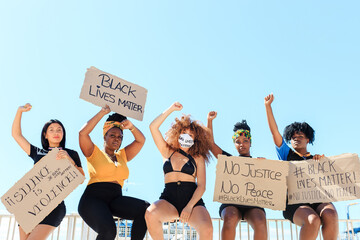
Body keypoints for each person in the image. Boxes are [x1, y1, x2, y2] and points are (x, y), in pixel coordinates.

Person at [264, 93, 339, 240]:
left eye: (300, 137)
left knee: (331, 214)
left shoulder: (316, 159)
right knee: (312, 220)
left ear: (308, 139)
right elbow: (274, 133)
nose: (296, 139)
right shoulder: (286, 154)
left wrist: (322, 164)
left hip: (316, 197)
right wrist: (268, 106)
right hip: (294, 201)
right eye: (293, 138)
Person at [11, 103, 84, 240]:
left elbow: (80, 178)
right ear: (45, 135)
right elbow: (16, 135)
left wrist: (69, 160)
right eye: (51, 130)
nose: (56, 133)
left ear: (63, 133)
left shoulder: (71, 153)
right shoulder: (38, 152)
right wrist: (19, 111)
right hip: (29, 205)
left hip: (54, 207)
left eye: (59, 130)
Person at [78, 105, 149, 240]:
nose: (117, 139)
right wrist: (102, 112)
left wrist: (131, 127)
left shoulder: (123, 155)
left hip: (115, 198)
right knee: (109, 231)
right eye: (112, 135)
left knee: (145, 209)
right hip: (93, 199)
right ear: (105, 136)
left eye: (120, 137)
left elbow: (141, 140)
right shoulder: (93, 152)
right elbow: (83, 133)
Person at [145, 102, 213, 240]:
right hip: (169, 198)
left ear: (195, 139)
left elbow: (201, 186)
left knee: (208, 228)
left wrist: (189, 207)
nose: (186, 136)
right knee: (150, 214)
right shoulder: (167, 151)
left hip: (192, 200)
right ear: (177, 133)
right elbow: (153, 127)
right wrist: (171, 109)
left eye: (190, 135)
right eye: (183, 133)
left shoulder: (198, 157)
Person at [207, 111, 267, 240]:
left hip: (252, 203)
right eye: (238, 141)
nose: (242, 144)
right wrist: (210, 121)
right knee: (229, 217)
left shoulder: (258, 163)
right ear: (234, 144)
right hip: (231, 202)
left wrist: (264, 166)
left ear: (250, 143)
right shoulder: (229, 160)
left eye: (245, 141)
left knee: (261, 221)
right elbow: (211, 145)